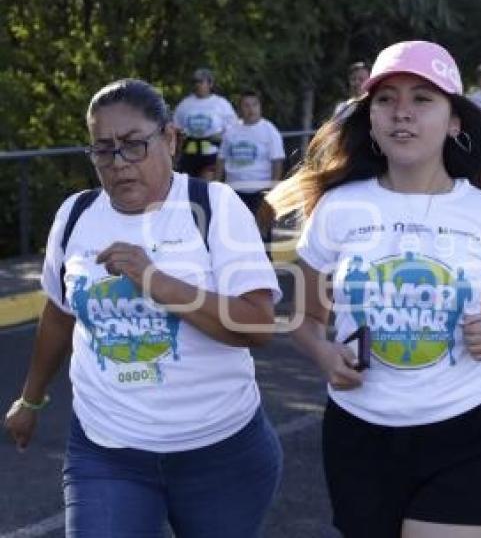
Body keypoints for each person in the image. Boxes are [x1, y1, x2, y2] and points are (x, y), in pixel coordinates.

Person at [265, 40, 481, 538]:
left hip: (462, 430)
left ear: (454, 121)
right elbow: (303, 319)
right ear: (370, 120)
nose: (401, 113)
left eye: (422, 99)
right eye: (386, 100)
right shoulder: (338, 208)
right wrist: (325, 356)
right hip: (359, 434)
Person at [3, 79, 283, 536]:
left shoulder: (213, 206)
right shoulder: (75, 214)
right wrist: (30, 399)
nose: (119, 164)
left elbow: (258, 326)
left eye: (134, 146)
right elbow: (58, 313)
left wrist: (157, 281)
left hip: (221, 455)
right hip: (107, 450)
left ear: (169, 139)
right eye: (103, 150)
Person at [216, 89, 285, 242]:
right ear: (240, 108)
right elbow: (221, 159)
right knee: (235, 235)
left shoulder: (269, 130)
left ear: (260, 107)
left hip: (260, 192)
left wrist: (273, 191)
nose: (251, 109)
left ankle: (265, 264)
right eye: (246, 105)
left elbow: (277, 162)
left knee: (262, 236)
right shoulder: (231, 131)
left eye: (254, 104)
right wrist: (216, 185)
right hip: (234, 191)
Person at [173, 67, 238, 181]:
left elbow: (233, 127)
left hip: (211, 153)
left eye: (201, 81)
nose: (198, 85)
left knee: (206, 187)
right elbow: (175, 127)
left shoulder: (221, 104)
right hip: (189, 153)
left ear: (210, 84)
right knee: (189, 188)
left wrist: (222, 136)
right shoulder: (185, 104)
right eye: (195, 82)